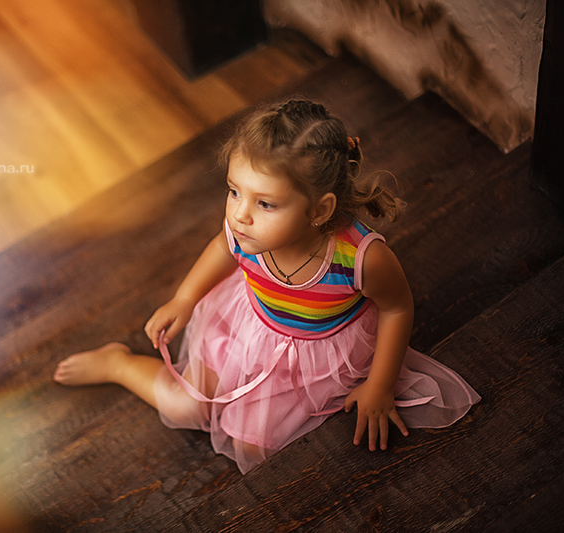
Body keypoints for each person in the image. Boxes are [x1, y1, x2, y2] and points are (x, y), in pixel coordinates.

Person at [53, 98, 480, 474]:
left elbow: (397, 307)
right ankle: (118, 364)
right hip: (245, 333)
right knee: (184, 406)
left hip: (314, 359)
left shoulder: (361, 258)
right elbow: (222, 246)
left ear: (320, 209)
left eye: (265, 203)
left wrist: (380, 385)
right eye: (234, 191)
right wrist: (185, 297)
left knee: (254, 449)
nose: (240, 215)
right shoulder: (246, 232)